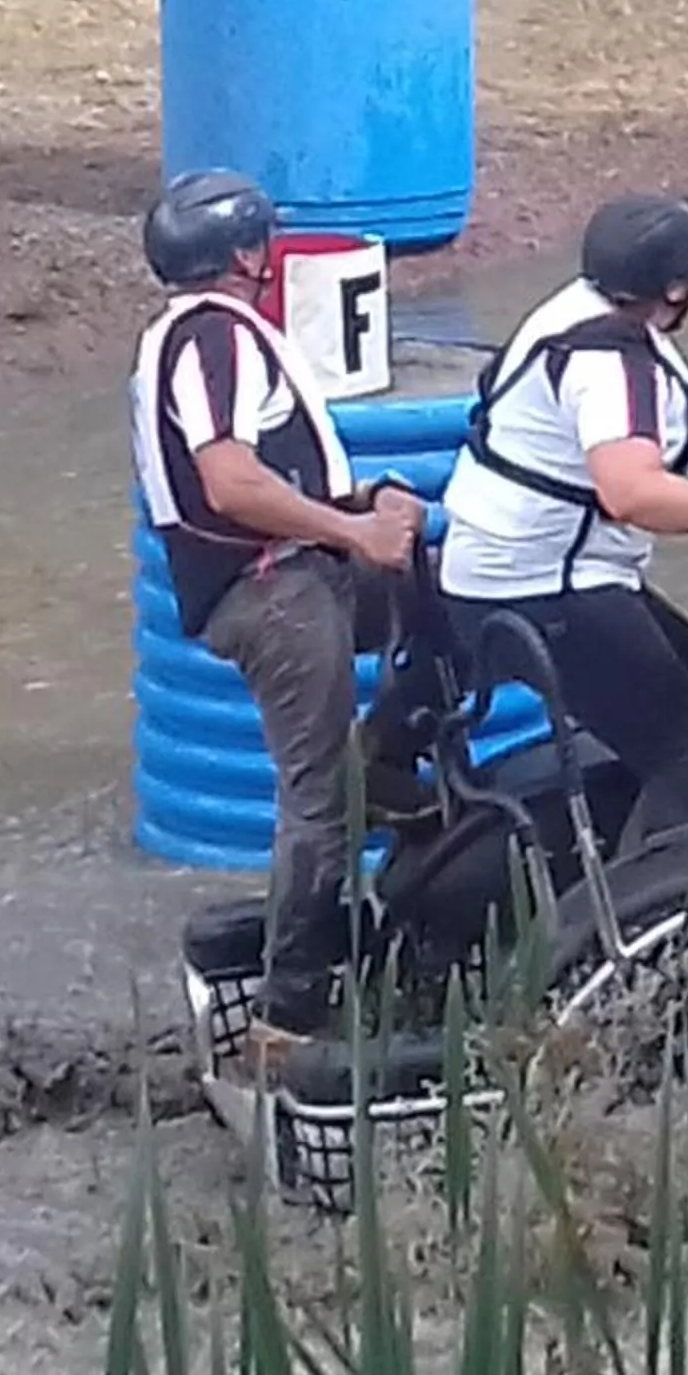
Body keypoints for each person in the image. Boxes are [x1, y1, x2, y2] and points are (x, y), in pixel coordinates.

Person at [129, 170, 433, 1060]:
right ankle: (289, 1015)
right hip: (274, 590)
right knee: (316, 805)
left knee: (447, 606)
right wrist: (350, 530)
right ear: (247, 254)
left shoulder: (187, 337)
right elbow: (229, 480)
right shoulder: (214, 340)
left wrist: (367, 501)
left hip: (284, 579)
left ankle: (383, 768)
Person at [437, 192, 688, 852]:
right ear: (678, 285)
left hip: (508, 569)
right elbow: (633, 495)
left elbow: (583, 446)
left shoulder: (572, 310)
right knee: (683, 745)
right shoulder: (614, 362)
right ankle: (644, 928)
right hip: (540, 587)